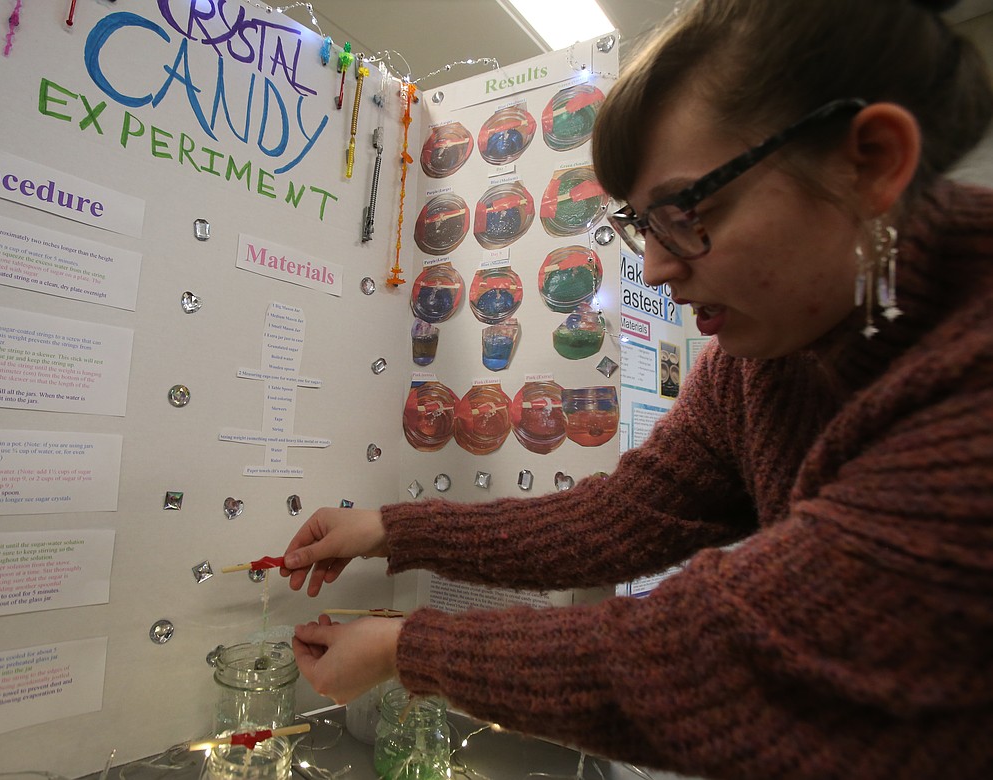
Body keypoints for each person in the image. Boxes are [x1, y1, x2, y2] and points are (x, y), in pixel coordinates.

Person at [281, 0, 993, 776]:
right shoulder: (765, 359)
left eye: (685, 212)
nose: (653, 267)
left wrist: (406, 647)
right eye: (640, 226)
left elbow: (728, 661)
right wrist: (392, 529)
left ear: (874, 162)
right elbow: (625, 515)